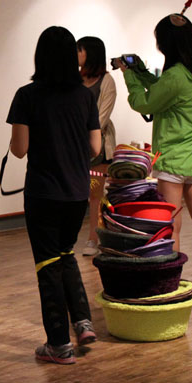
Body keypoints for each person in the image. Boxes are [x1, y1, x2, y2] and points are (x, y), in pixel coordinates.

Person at [113, 13, 192, 313]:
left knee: (171, 230)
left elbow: (143, 102)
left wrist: (129, 75)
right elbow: (164, 89)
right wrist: (142, 71)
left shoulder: (176, 76)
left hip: (173, 166)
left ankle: (170, 292)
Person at [7, 26, 101, 364]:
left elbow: (20, 149)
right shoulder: (85, 96)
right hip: (77, 192)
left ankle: (59, 345)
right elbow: (95, 147)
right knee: (66, 254)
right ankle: (83, 321)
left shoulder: (27, 95)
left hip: (44, 194)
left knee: (48, 264)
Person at [76, 36, 117, 256]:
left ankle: (94, 238)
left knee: (95, 194)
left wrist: (83, 136)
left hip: (97, 147)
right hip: (74, 145)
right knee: (77, 193)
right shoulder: (74, 79)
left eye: (79, 50)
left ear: (90, 53)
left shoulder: (106, 81)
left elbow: (102, 118)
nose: (76, 54)